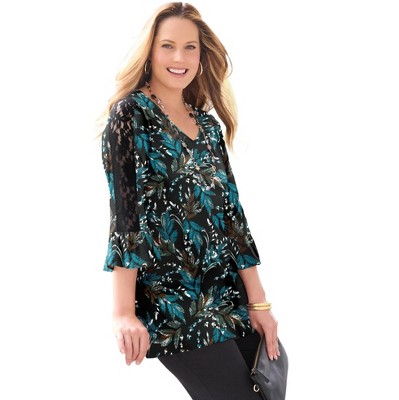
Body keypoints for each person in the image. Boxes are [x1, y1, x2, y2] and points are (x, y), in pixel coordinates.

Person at [99, 2, 280, 399]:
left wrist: (259, 304)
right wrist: (123, 312)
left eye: (190, 47)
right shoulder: (131, 116)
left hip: (228, 293)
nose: (179, 58)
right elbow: (127, 218)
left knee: (270, 391)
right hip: (174, 305)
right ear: (150, 52)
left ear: (201, 55)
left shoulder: (208, 126)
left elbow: (232, 218)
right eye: (168, 46)